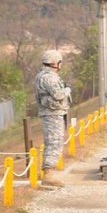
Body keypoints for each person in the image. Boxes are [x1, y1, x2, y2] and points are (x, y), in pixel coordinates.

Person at [33, 49, 71, 187]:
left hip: (53, 113)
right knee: (54, 142)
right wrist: (67, 90)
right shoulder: (49, 77)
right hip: (52, 114)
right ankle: (48, 174)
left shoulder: (43, 75)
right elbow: (59, 95)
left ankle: (49, 172)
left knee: (55, 141)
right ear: (55, 63)